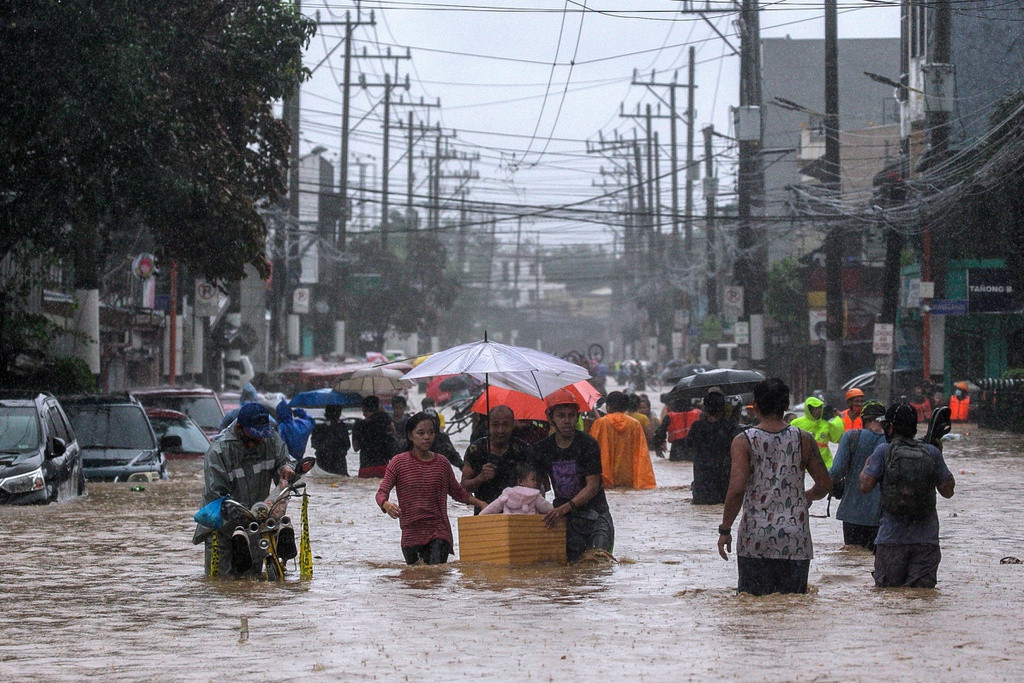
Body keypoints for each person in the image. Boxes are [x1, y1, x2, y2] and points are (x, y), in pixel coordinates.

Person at [718, 378, 832, 596]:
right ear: (786, 406)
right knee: (793, 612)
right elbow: (825, 484)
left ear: (755, 406)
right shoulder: (804, 439)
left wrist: (725, 529)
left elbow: (737, 489)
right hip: (795, 539)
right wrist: (807, 496)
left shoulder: (743, 441)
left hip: (755, 538)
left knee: (753, 608)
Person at [859, 403, 956, 588]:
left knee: (890, 601)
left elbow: (865, 486)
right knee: (921, 602)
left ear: (891, 426)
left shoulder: (883, 452)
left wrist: (867, 465)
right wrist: (938, 455)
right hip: (926, 541)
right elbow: (948, 491)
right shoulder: (931, 451)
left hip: (891, 540)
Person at [193, 402, 295, 576]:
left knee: (252, 581)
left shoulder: (270, 440)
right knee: (220, 581)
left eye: (262, 437)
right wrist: (242, 515)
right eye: (253, 438)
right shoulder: (218, 453)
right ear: (239, 429)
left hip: (256, 525)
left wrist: (287, 467)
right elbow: (216, 494)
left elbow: (285, 460)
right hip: (222, 529)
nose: (258, 443)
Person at [376, 413, 487, 565]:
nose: (427, 437)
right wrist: (386, 504)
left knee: (435, 573)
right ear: (410, 436)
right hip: (411, 533)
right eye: (421, 433)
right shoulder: (398, 463)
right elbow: (381, 492)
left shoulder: (442, 463)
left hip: (439, 531)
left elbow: (457, 492)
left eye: (431, 432)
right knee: (416, 580)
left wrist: (480, 503)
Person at [536, 389, 615, 562]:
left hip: (596, 516)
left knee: (596, 564)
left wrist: (564, 508)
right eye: (561, 416)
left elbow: (593, 486)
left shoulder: (588, 444)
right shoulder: (543, 448)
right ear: (551, 419)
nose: (566, 421)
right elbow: (538, 486)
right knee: (566, 570)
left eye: (572, 416)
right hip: (566, 521)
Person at [829, 400, 888, 550]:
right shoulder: (892, 442)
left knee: (853, 559)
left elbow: (836, 472)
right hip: (884, 517)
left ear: (863, 419)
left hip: (852, 514)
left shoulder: (851, 437)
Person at [461, 405, 537, 510]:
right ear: (488, 425)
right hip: (485, 512)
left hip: (517, 513)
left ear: (513, 424)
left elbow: (537, 487)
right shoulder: (476, 449)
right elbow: (463, 488)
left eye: (505, 425)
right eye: (495, 425)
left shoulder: (523, 450)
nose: (500, 430)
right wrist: (480, 478)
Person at [589, 391, 656, 489]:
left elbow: (591, 450)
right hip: (629, 476)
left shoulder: (601, 423)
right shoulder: (635, 424)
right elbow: (641, 452)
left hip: (606, 476)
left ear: (608, 407)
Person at [683, 391, 740, 505]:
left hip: (702, 478)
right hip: (724, 477)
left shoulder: (697, 426)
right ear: (723, 408)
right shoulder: (730, 426)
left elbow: (688, 446)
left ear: (705, 408)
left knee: (702, 506)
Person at [479, 462, 554, 515]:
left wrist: (481, 515)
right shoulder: (535, 496)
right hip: (529, 530)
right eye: (533, 479)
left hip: (509, 530)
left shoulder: (507, 494)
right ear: (520, 481)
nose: (536, 482)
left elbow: (493, 508)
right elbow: (548, 509)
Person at [790, 396, 845, 468]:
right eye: (815, 408)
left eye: (819, 408)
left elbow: (836, 438)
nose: (818, 410)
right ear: (809, 409)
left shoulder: (826, 424)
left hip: (825, 463)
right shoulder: (796, 423)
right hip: (803, 463)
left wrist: (838, 418)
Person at [352, 395, 397, 478]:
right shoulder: (386, 420)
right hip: (384, 468)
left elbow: (355, 448)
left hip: (366, 468)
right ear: (377, 407)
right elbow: (394, 436)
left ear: (363, 408)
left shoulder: (359, 425)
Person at [653, 396, 703, 461]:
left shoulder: (669, 416)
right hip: (694, 449)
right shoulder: (699, 414)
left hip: (677, 450)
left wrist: (658, 447)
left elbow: (659, 433)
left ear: (675, 403)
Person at [310, 404, 351, 476]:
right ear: (339, 415)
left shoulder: (319, 428)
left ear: (325, 415)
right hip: (339, 465)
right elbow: (347, 445)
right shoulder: (342, 428)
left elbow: (314, 444)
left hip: (323, 464)